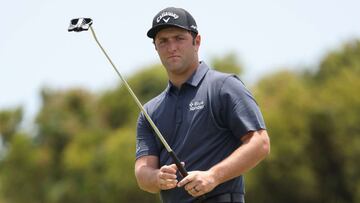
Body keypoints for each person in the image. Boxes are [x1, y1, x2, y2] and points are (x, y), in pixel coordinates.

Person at [134, 7, 270, 203]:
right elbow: (142, 173)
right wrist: (156, 178)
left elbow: (260, 143)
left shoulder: (224, 87)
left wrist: (213, 176)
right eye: (163, 41)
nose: (171, 47)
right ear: (156, 47)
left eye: (179, 38)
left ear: (196, 41)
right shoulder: (150, 111)